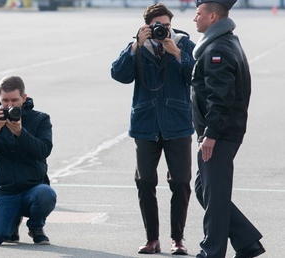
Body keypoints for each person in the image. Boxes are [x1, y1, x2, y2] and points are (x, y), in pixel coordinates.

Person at [111, 3, 195, 255]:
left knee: (180, 181)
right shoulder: (138, 47)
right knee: (145, 180)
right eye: (157, 27)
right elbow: (118, 74)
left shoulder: (184, 44)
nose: (163, 31)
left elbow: (197, 77)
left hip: (177, 123)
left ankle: (177, 239)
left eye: (166, 26)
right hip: (146, 124)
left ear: (171, 24)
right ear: (147, 27)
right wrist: (135, 45)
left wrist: (178, 54)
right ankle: (152, 239)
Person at [192, 1, 265, 257]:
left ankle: (211, 252)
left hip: (219, 134)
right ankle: (247, 242)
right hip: (221, 132)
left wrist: (210, 134)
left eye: (198, 14)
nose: (194, 18)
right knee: (204, 190)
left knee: (214, 195)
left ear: (212, 17)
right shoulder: (225, 41)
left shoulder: (217, 49)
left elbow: (219, 97)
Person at [0, 75, 57, 246]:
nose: (9, 105)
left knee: (46, 194)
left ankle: (36, 227)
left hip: (33, 187)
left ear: (24, 98)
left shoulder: (40, 119)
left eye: (14, 100)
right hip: (5, 190)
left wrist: (21, 133)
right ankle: (12, 223)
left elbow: (44, 150)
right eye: (5, 100)